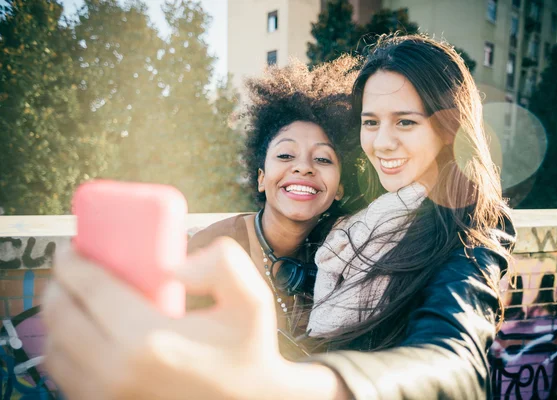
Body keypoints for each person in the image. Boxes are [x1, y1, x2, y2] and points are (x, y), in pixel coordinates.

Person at [42, 34, 515, 400]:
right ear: (260, 173)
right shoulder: (352, 233)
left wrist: (283, 387)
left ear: (448, 127)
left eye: (405, 121)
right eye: (371, 122)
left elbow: (456, 364)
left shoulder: (475, 226)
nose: (383, 142)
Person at [186, 56, 361, 353]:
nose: (303, 167)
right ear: (261, 178)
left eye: (322, 158)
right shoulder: (209, 248)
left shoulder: (349, 253)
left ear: (339, 189)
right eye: (285, 156)